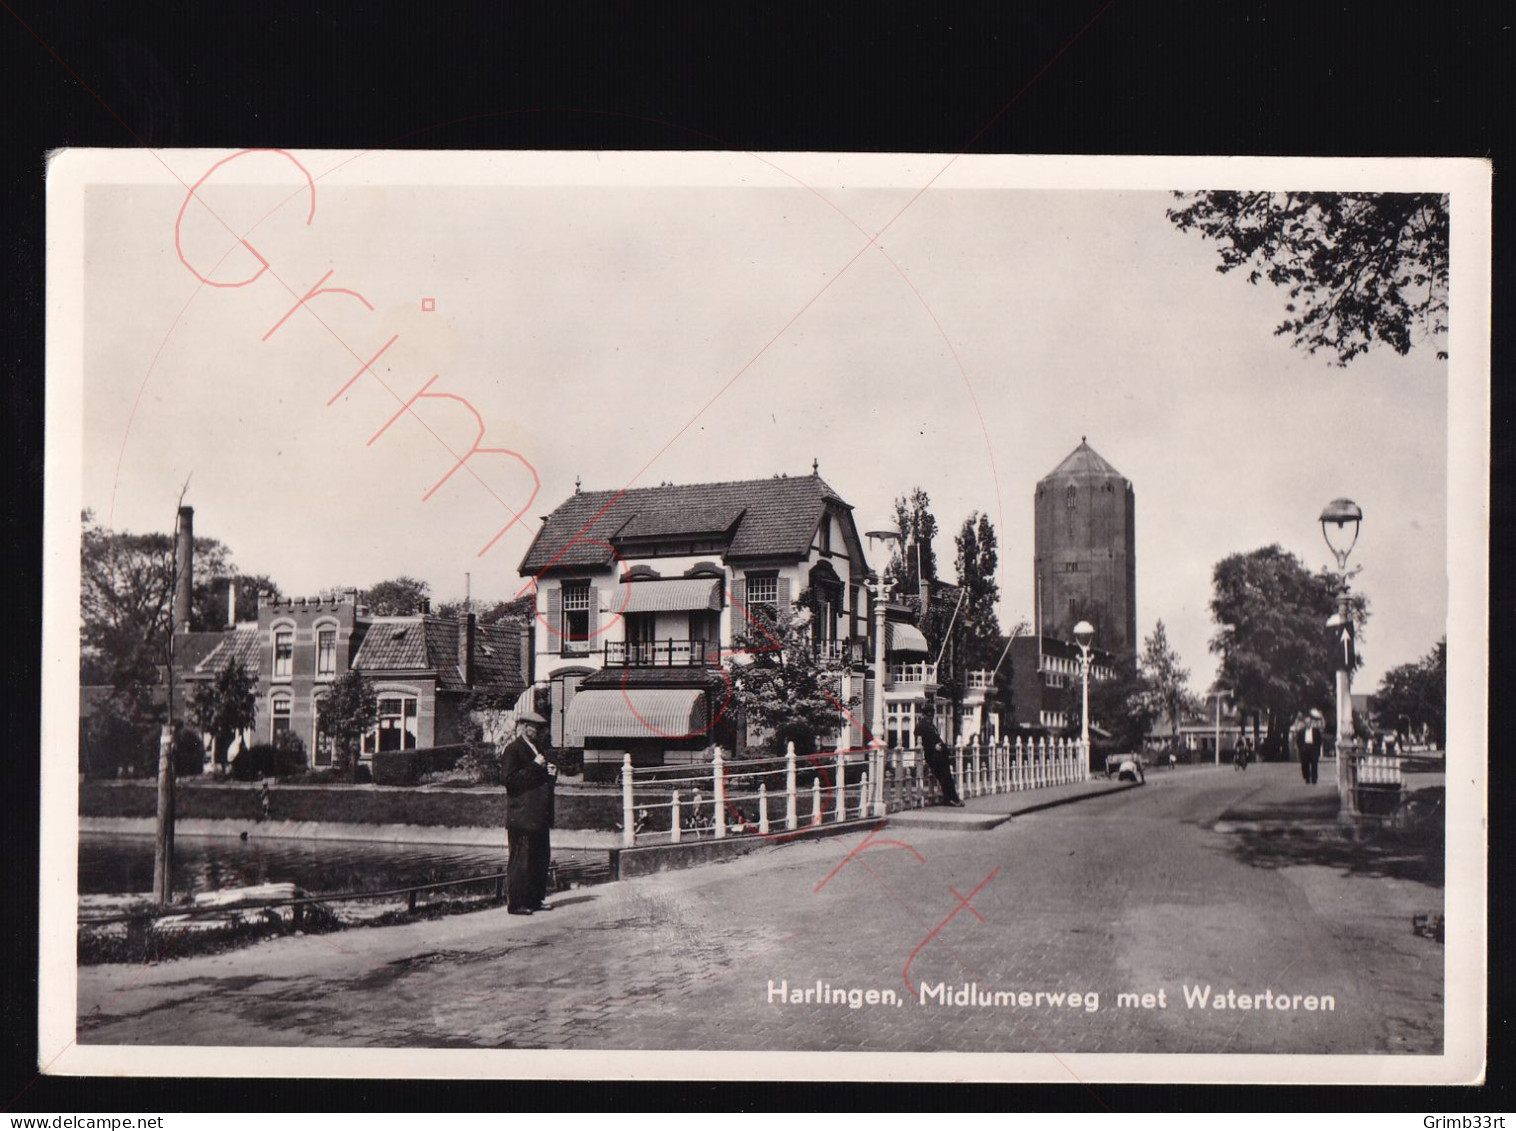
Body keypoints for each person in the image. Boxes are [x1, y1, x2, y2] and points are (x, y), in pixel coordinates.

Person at [502, 710, 558, 915]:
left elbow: (538, 782)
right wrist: (536, 766)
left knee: (539, 858)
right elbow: (511, 782)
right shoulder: (513, 750)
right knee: (521, 859)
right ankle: (517, 903)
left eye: (540, 728)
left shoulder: (538, 750)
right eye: (534, 727)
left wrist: (551, 776)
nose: (538, 731)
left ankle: (535, 899)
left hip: (539, 815)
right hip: (523, 816)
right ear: (524, 727)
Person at [914, 716, 963, 807]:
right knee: (945, 777)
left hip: (940, 754)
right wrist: (933, 746)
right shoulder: (921, 726)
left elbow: (936, 738)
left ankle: (950, 798)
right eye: (930, 714)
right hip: (933, 755)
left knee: (946, 776)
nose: (930, 717)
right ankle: (953, 798)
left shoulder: (930, 726)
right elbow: (921, 742)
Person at [1299, 710, 1324, 785]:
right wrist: (1301, 748)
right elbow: (1298, 741)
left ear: (1311, 723)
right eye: (1306, 723)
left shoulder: (1316, 731)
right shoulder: (1301, 731)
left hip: (1313, 748)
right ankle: (1307, 778)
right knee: (1305, 764)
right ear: (1305, 723)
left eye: (1309, 722)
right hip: (1305, 747)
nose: (1308, 724)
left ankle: (1314, 778)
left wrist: (1317, 748)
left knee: (1314, 763)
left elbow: (1319, 740)